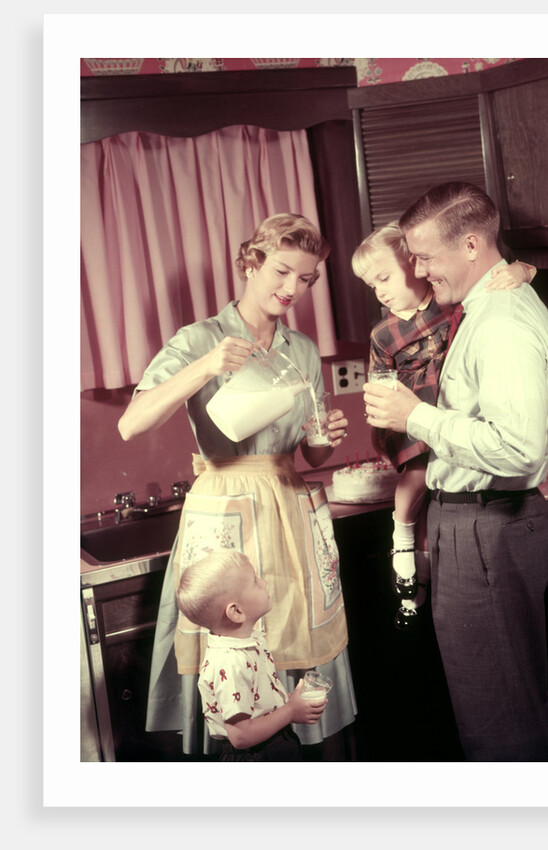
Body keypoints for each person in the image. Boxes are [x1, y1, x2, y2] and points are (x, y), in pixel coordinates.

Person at [119, 212, 356, 756]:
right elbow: (131, 423)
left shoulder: (299, 349)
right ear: (250, 262)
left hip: (287, 503)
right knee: (231, 647)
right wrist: (206, 365)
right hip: (223, 508)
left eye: (305, 279)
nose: (291, 288)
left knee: (295, 629)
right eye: (281, 271)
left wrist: (328, 439)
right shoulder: (200, 339)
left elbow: (310, 449)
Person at [362, 183, 548, 761]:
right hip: (478, 528)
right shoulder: (482, 307)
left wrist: (416, 416)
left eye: (425, 256)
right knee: (500, 711)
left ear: (472, 244)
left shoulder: (500, 323)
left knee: (501, 725)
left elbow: (520, 449)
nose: (419, 272)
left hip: (488, 530)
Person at [352, 222, 535, 630]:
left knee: (437, 498)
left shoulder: (448, 301)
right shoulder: (383, 334)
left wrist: (523, 271)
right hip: (413, 422)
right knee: (415, 486)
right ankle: (402, 551)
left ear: (413, 264)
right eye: (371, 285)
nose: (379, 291)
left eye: (384, 277)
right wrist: (383, 427)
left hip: (451, 417)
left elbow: (495, 278)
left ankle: (420, 579)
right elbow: (377, 382)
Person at [176, 549, 327, 761]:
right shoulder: (230, 663)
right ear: (236, 612)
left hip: (274, 744)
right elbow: (241, 736)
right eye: (255, 581)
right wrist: (291, 711)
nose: (264, 582)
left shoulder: (247, 642)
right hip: (254, 756)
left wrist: (290, 702)